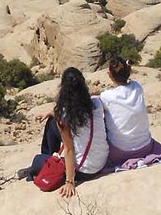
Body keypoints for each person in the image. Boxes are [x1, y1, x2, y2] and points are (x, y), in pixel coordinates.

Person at [19, 66, 108, 197]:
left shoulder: (65, 115)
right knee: (51, 122)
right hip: (102, 161)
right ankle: (50, 160)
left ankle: (48, 163)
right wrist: (52, 113)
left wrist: (69, 182)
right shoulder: (97, 103)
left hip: (85, 171)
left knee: (37, 161)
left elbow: (69, 149)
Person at [99, 55, 157, 166]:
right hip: (146, 146)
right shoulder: (137, 87)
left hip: (120, 151)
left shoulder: (107, 96)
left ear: (110, 75)